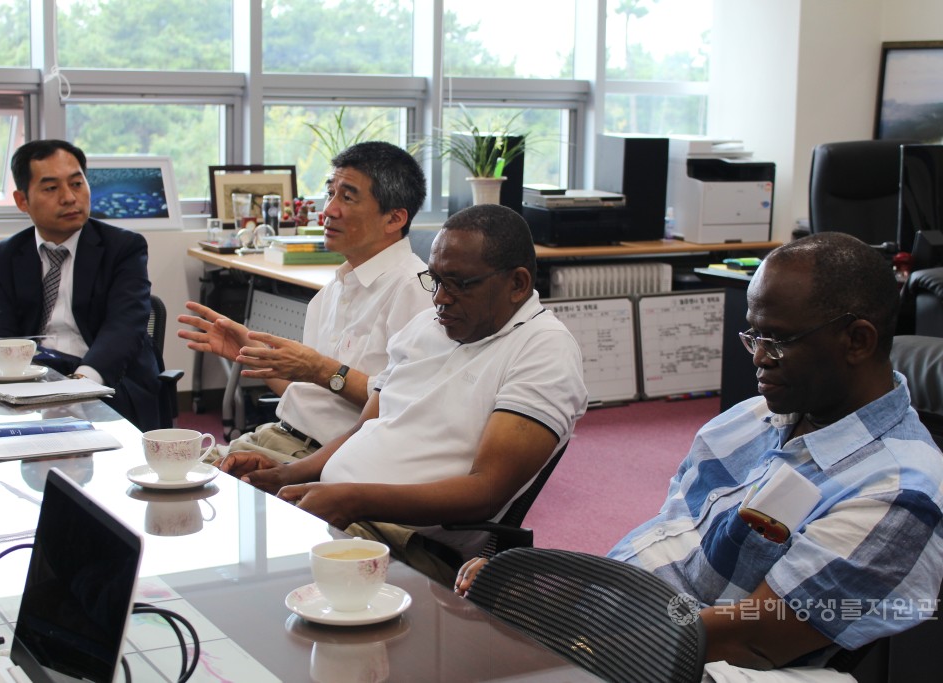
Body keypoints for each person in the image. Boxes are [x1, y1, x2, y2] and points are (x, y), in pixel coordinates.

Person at [457, 232, 943, 671]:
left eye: (776, 340)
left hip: (676, 663)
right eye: (753, 335)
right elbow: (666, 547)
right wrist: (554, 586)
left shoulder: (898, 491)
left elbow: (756, 635)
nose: (756, 357)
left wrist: (568, 627)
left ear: (857, 340)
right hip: (628, 626)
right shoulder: (749, 420)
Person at [221, 204, 588, 583]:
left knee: (256, 570)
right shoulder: (427, 327)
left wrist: (353, 498)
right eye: (436, 280)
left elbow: (487, 489)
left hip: (408, 541)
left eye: (460, 283)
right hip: (348, 511)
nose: (440, 299)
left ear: (518, 284)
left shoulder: (544, 350)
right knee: (220, 511)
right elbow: (362, 430)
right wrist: (285, 474)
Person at [178, 141, 431, 461]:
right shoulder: (334, 289)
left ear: (394, 219)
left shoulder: (414, 291)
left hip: (334, 459)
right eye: (331, 193)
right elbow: (308, 395)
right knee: (168, 476)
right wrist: (254, 355)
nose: (328, 210)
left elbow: (404, 406)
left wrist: (320, 368)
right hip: (281, 435)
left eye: (348, 197)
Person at [0, 139, 163, 431]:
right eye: (51, 188)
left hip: (108, 382)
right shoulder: (3, 257)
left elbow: (125, 326)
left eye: (77, 184)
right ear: (22, 200)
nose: (69, 198)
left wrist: (79, 385)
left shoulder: (123, 248)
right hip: (33, 382)